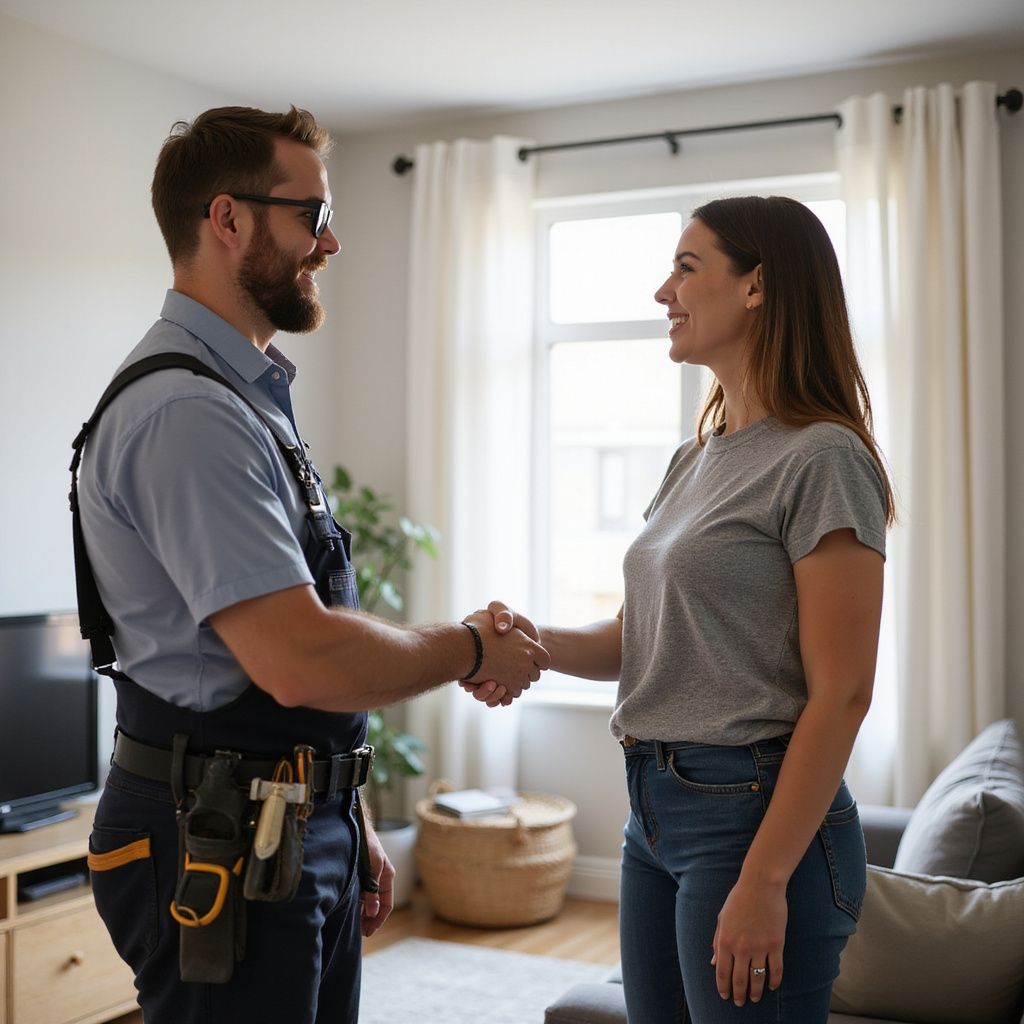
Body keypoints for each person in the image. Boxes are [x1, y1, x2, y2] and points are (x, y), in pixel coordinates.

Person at [71, 105, 547, 1024]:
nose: (329, 243)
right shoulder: (187, 414)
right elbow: (300, 657)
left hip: (278, 816)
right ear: (228, 220)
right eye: (311, 215)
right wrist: (471, 650)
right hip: (215, 834)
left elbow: (287, 643)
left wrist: (345, 814)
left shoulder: (246, 398)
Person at [469, 195, 893, 1022]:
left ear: (756, 288)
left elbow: (843, 692)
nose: (664, 293)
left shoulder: (825, 457)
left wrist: (766, 878)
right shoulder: (692, 460)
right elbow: (641, 639)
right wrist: (531, 642)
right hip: (653, 815)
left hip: (752, 818)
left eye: (686, 269)